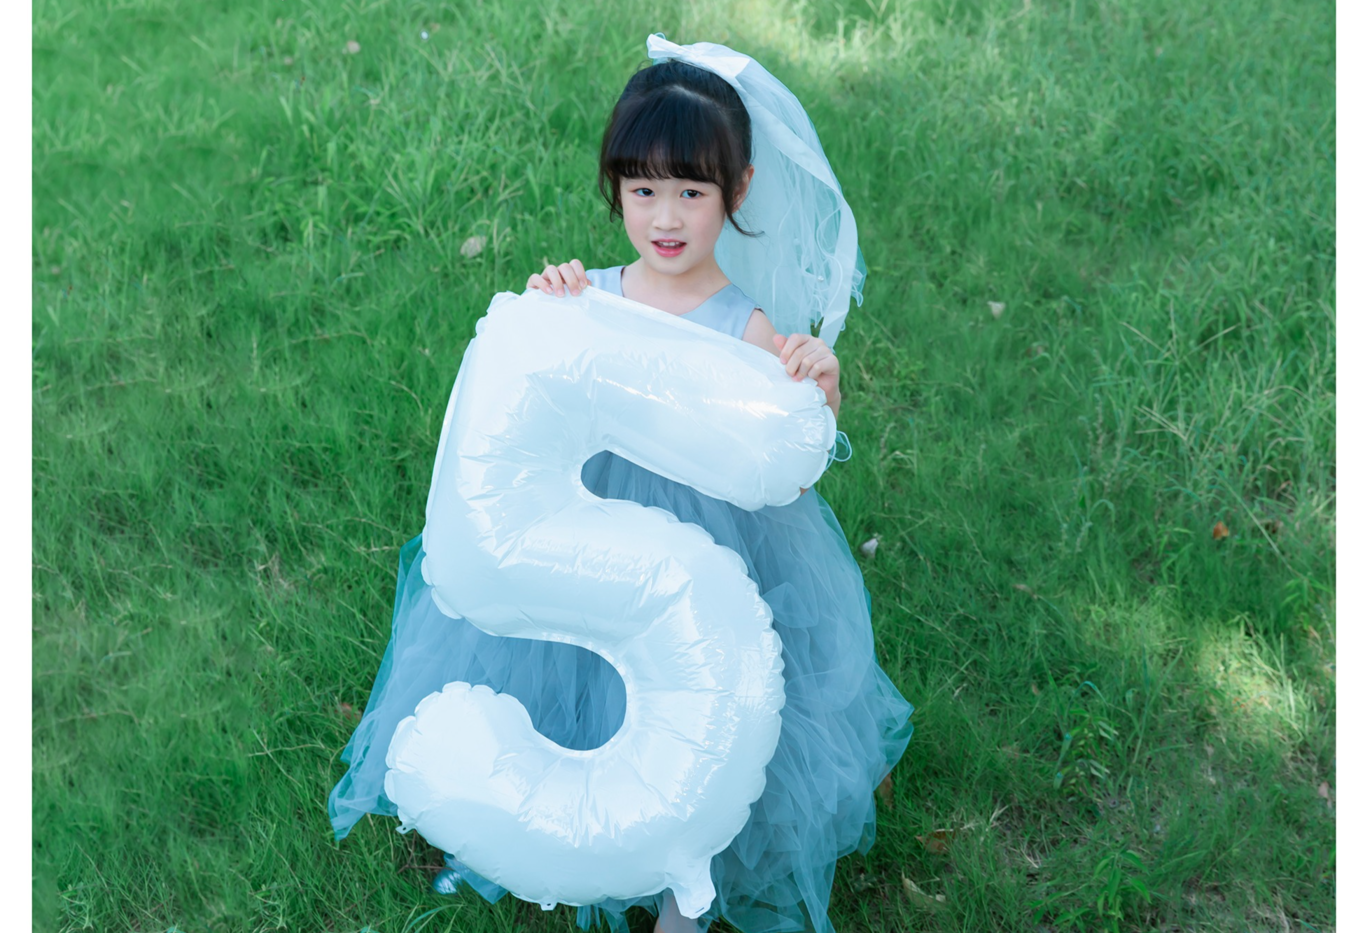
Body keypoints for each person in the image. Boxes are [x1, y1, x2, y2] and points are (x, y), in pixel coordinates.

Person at [328, 35, 915, 933]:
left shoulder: (746, 327)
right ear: (616, 188)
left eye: (692, 192)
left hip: (707, 542)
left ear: (739, 190)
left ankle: (689, 882)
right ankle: (505, 824)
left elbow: (785, 477)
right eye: (643, 190)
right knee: (555, 672)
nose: (665, 217)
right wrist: (550, 303)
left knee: (704, 707)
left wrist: (817, 391)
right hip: (585, 521)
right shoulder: (589, 292)